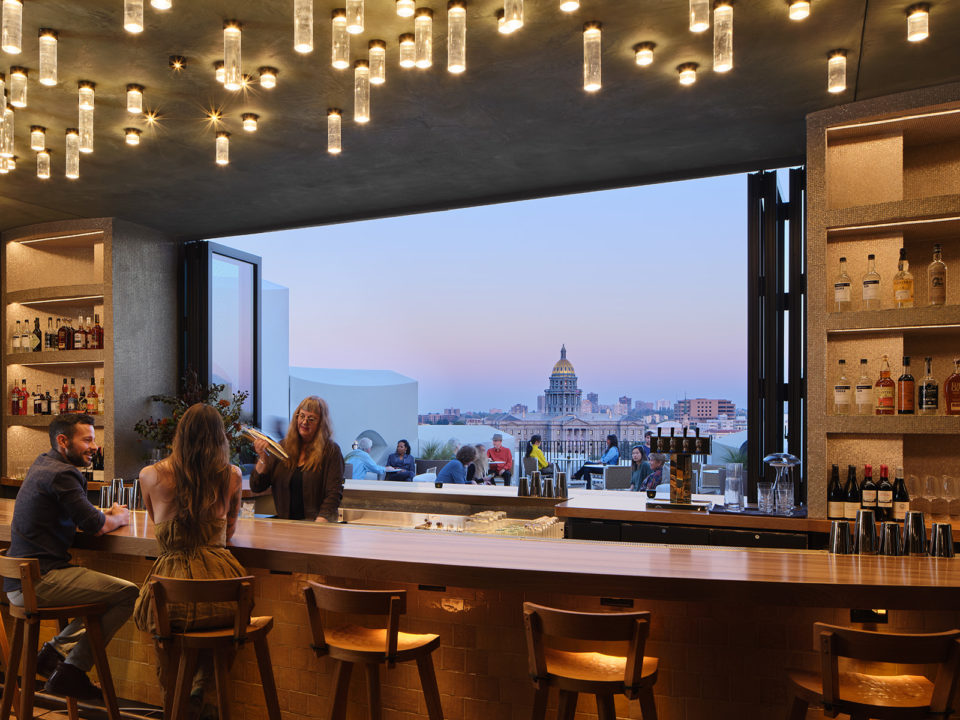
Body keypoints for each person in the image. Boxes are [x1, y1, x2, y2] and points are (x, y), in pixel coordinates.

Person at [5, 414, 136, 700]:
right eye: (87, 440)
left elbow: (84, 516)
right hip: (41, 579)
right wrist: (120, 516)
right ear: (63, 441)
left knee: (114, 594)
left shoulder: (43, 463)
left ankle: (52, 654)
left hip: (19, 579)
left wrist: (104, 516)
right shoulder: (64, 473)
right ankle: (71, 670)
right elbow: (96, 526)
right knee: (128, 593)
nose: (94, 446)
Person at [134, 403, 245, 705]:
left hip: (172, 592)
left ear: (179, 435)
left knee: (165, 633)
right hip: (222, 591)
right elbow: (229, 532)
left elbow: (158, 525)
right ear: (221, 438)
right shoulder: (232, 475)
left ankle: (176, 702)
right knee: (222, 629)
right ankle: (204, 693)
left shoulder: (149, 476)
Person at [250, 396, 345, 522]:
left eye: (311, 419)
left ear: (321, 424)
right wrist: (263, 458)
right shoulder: (282, 448)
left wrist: (319, 525)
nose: (305, 422)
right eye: (302, 416)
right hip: (286, 526)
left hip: (317, 526)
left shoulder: (331, 451)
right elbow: (257, 486)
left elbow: (333, 494)